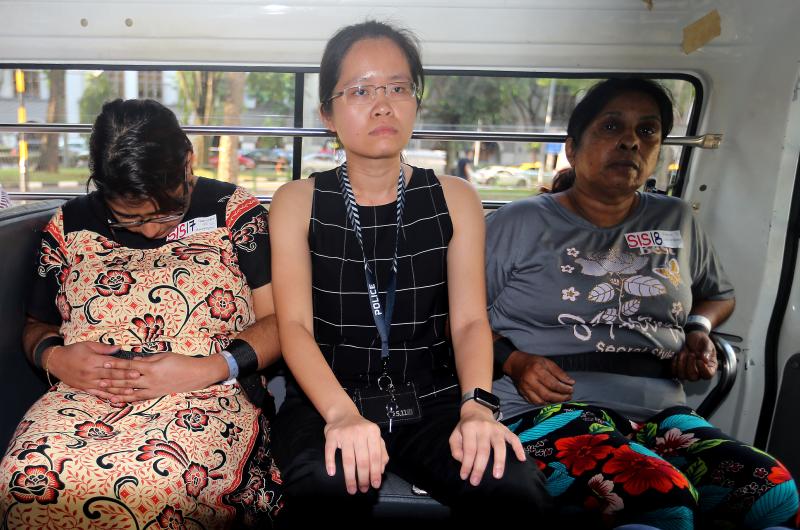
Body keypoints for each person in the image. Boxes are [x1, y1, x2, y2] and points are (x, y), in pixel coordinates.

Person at [268, 20, 551, 524]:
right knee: (325, 488)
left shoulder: (456, 197)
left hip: (433, 397)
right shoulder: (297, 202)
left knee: (512, 485)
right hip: (326, 396)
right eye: (360, 91)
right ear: (327, 114)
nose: (383, 104)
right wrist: (341, 415)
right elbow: (293, 328)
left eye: (398, 88)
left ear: (416, 101)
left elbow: (468, 323)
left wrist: (478, 408)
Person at [486, 78, 799, 529]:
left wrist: (697, 330)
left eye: (648, 131)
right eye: (611, 126)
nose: (631, 140)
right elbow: (456, 315)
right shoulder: (519, 223)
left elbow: (719, 295)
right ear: (572, 148)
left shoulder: (675, 219)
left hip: (662, 412)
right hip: (542, 411)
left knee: (772, 491)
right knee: (661, 499)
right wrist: (513, 361)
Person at [0, 99, 285, 528]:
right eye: (128, 220)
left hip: (207, 394)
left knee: (152, 488)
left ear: (187, 163)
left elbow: (281, 323)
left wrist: (209, 368)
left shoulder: (233, 213)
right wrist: (56, 359)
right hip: (82, 401)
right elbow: (35, 326)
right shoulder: (70, 227)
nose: (153, 230)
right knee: (24, 478)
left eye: (167, 212)